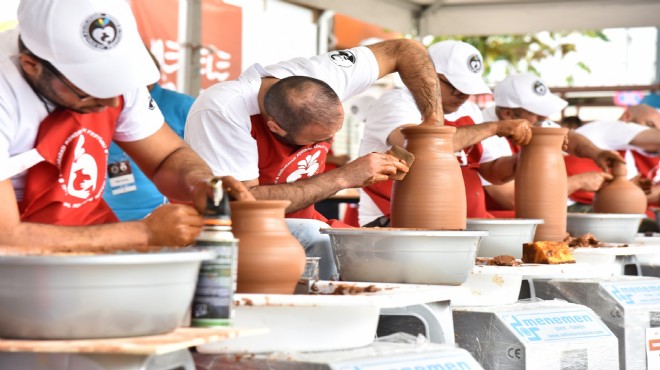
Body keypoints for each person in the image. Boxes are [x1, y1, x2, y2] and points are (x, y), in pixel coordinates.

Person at [0, 0, 251, 249]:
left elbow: (166, 157)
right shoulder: (6, 92)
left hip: (85, 235)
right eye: (89, 89)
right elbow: (5, 238)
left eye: (116, 86)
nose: (111, 102)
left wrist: (198, 182)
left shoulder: (114, 74)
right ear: (31, 65)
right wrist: (143, 233)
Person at [185, 38, 443, 280]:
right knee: (319, 243)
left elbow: (405, 50)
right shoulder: (222, 111)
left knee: (386, 249)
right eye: (314, 141)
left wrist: (434, 125)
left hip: (305, 220)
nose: (324, 145)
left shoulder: (324, 76)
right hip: (229, 229)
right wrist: (344, 177)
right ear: (275, 127)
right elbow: (242, 205)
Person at [358, 40, 532, 226]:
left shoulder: (470, 111)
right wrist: (494, 127)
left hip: (461, 223)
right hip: (395, 222)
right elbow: (420, 148)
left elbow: (490, 172)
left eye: (468, 90)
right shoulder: (396, 103)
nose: (463, 96)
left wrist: (523, 159)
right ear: (426, 75)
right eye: (455, 87)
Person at [481, 73, 625, 215]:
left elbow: (568, 138)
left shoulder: (532, 122)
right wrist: (578, 182)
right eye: (536, 112)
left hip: (530, 215)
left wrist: (596, 152)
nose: (545, 117)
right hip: (495, 221)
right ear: (507, 114)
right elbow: (512, 198)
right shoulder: (485, 135)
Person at [103, 52, 196, 221]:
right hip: (108, 213)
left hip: (164, 214)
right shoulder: (101, 102)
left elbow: (193, 157)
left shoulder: (183, 105)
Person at [565, 104, 660, 213]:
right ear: (627, 117)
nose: (654, 131)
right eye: (650, 125)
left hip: (595, 204)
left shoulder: (625, 151)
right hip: (572, 204)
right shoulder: (612, 127)